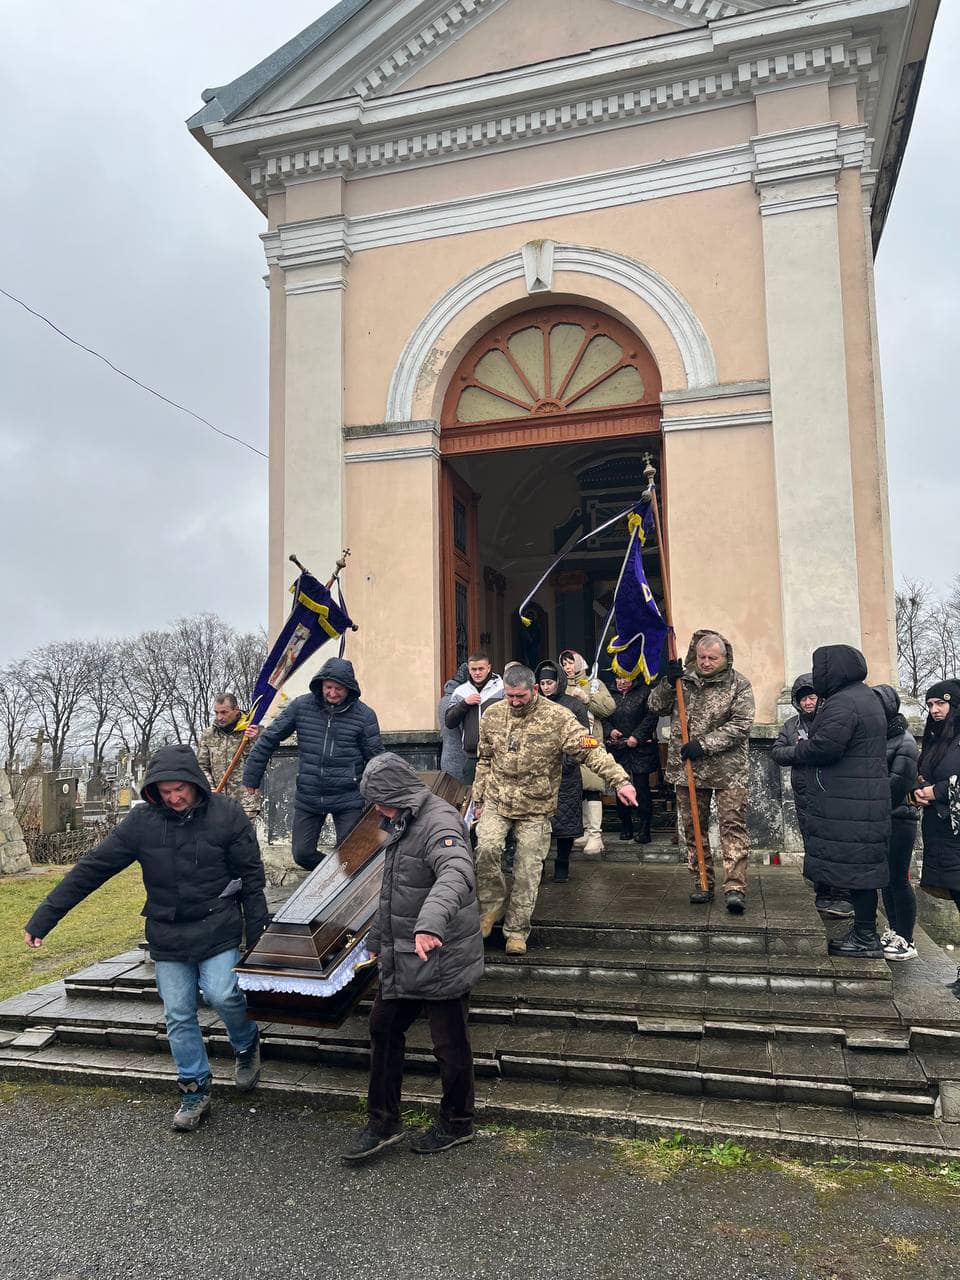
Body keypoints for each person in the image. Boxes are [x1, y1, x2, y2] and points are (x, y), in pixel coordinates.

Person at [23, 744, 268, 1132]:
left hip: (216, 924)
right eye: (165, 791)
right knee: (178, 1013)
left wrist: (257, 939)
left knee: (223, 993)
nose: (174, 798)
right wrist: (44, 918)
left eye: (180, 789)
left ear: (194, 783)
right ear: (153, 790)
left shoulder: (227, 815)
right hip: (167, 931)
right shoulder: (142, 824)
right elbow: (93, 868)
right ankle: (195, 1088)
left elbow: (253, 880)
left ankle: (245, 1043)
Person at [341, 753, 484, 1162]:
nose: (376, 810)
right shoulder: (400, 819)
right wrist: (374, 941)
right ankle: (383, 1122)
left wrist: (429, 925)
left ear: (398, 792)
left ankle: (458, 1122)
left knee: (449, 1044)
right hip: (404, 952)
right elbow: (395, 892)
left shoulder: (439, 821)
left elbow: (456, 872)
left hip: (441, 952)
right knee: (383, 1028)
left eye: (380, 800)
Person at [472, 665, 636, 955]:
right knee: (485, 849)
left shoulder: (558, 717)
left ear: (534, 690)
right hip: (497, 800)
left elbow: (591, 749)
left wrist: (620, 780)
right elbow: (484, 759)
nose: (514, 702)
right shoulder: (492, 715)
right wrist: (479, 800)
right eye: (510, 696)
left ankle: (517, 931)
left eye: (520, 696)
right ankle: (490, 908)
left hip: (536, 806)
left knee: (527, 868)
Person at [779, 645, 890, 958]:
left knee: (859, 870)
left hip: (850, 804)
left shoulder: (844, 702)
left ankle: (866, 936)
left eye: (820, 669)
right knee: (862, 869)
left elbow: (825, 747)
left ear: (833, 670)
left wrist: (796, 751)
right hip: (860, 801)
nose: (817, 677)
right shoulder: (864, 696)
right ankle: (864, 932)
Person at [242, 656, 383, 871]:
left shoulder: (364, 716)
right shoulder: (301, 706)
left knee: (354, 857)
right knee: (302, 854)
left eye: (339, 689)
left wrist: (385, 794)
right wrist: (252, 775)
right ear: (321, 684)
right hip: (309, 795)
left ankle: (343, 890)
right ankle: (331, 875)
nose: (333, 693)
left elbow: (377, 758)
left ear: (349, 689)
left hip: (348, 797)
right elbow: (268, 738)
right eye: (329, 687)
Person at [648, 630, 755, 913]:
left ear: (724, 658)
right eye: (702, 657)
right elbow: (654, 705)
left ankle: (735, 887)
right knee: (694, 829)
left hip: (728, 771)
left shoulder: (738, 684)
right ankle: (702, 882)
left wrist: (705, 744)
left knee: (733, 828)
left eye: (712, 658)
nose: (706, 663)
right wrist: (668, 683)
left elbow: (742, 725)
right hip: (689, 771)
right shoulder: (683, 680)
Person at [772, 674, 853, 919]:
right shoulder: (791, 725)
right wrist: (802, 750)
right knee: (813, 842)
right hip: (805, 794)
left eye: (812, 697)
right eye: (803, 699)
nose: (808, 703)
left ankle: (841, 893)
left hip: (831, 791)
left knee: (836, 842)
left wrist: (807, 750)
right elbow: (778, 752)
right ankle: (822, 890)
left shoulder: (831, 721)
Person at [912, 679, 960, 996]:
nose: (934, 710)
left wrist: (938, 791)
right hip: (940, 833)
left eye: (940, 703)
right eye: (930, 705)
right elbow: (923, 774)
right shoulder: (934, 740)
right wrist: (917, 792)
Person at [873, 685, 919, 961]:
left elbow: (896, 785)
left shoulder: (905, 742)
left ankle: (906, 937)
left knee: (899, 879)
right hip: (883, 817)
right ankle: (893, 930)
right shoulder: (879, 739)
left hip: (900, 819)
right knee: (887, 880)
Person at [534, 660, 589, 882]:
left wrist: (566, 763)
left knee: (565, 822)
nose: (546, 687)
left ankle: (563, 863)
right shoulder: (534, 705)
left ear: (559, 682)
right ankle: (539, 864)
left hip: (567, 773)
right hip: (539, 774)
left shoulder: (574, 706)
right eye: (542, 683)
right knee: (538, 824)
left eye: (550, 682)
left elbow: (584, 739)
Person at [560, 649, 616, 856]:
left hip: (591, 741)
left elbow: (609, 708)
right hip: (571, 744)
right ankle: (585, 829)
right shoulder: (562, 686)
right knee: (579, 788)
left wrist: (587, 699)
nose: (568, 667)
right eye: (564, 663)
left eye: (571, 662)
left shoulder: (594, 683)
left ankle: (596, 835)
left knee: (593, 786)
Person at [604, 673, 659, 845]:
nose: (621, 682)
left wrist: (637, 736)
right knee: (620, 785)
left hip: (640, 748)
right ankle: (625, 825)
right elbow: (602, 716)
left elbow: (651, 717)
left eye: (625, 678)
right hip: (618, 748)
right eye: (618, 678)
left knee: (642, 788)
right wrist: (610, 731)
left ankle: (644, 827)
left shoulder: (644, 692)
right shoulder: (609, 693)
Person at [444, 653, 504, 784]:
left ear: (488, 668)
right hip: (472, 757)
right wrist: (464, 703)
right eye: (473, 669)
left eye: (481, 669)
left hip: (499, 756)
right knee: (471, 799)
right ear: (469, 670)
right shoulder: (461, 691)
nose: (477, 673)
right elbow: (449, 721)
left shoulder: (502, 688)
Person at [196, 693, 260, 813]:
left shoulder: (252, 730)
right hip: (218, 803)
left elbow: (264, 763)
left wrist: (255, 740)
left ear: (236, 709)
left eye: (224, 712)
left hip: (247, 804)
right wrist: (210, 787)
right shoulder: (208, 734)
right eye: (216, 712)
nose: (219, 717)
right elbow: (202, 766)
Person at [438, 661, 470, 781]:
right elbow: (464, 731)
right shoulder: (460, 701)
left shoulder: (443, 699)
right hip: (461, 758)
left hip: (446, 755)